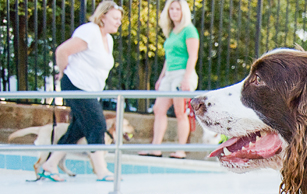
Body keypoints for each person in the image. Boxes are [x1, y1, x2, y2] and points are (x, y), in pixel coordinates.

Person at [38, 1, 123, 182]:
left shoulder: (108, 39)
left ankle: (50, 164)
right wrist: (62, 72)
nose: (118, 22)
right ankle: (101, 170)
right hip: (76, 85)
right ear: (103, 16)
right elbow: (62, 51)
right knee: (97, 124)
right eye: (115, 18)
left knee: (77, 130)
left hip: (91, 91)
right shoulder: (90, 31)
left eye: (120, 20)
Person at [139, 0, 199, 159]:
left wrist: (186, 78)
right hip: (169, 74)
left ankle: (180, 150)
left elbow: (193, 56)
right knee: (159, 109)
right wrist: (161, 78)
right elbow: (168, 58)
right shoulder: (172, 32)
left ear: (183, 11)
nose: (174, 11)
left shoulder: (189, 30)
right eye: (171, 8)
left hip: (182, 74)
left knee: (180, 112)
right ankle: (155, 148)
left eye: (177, 9)